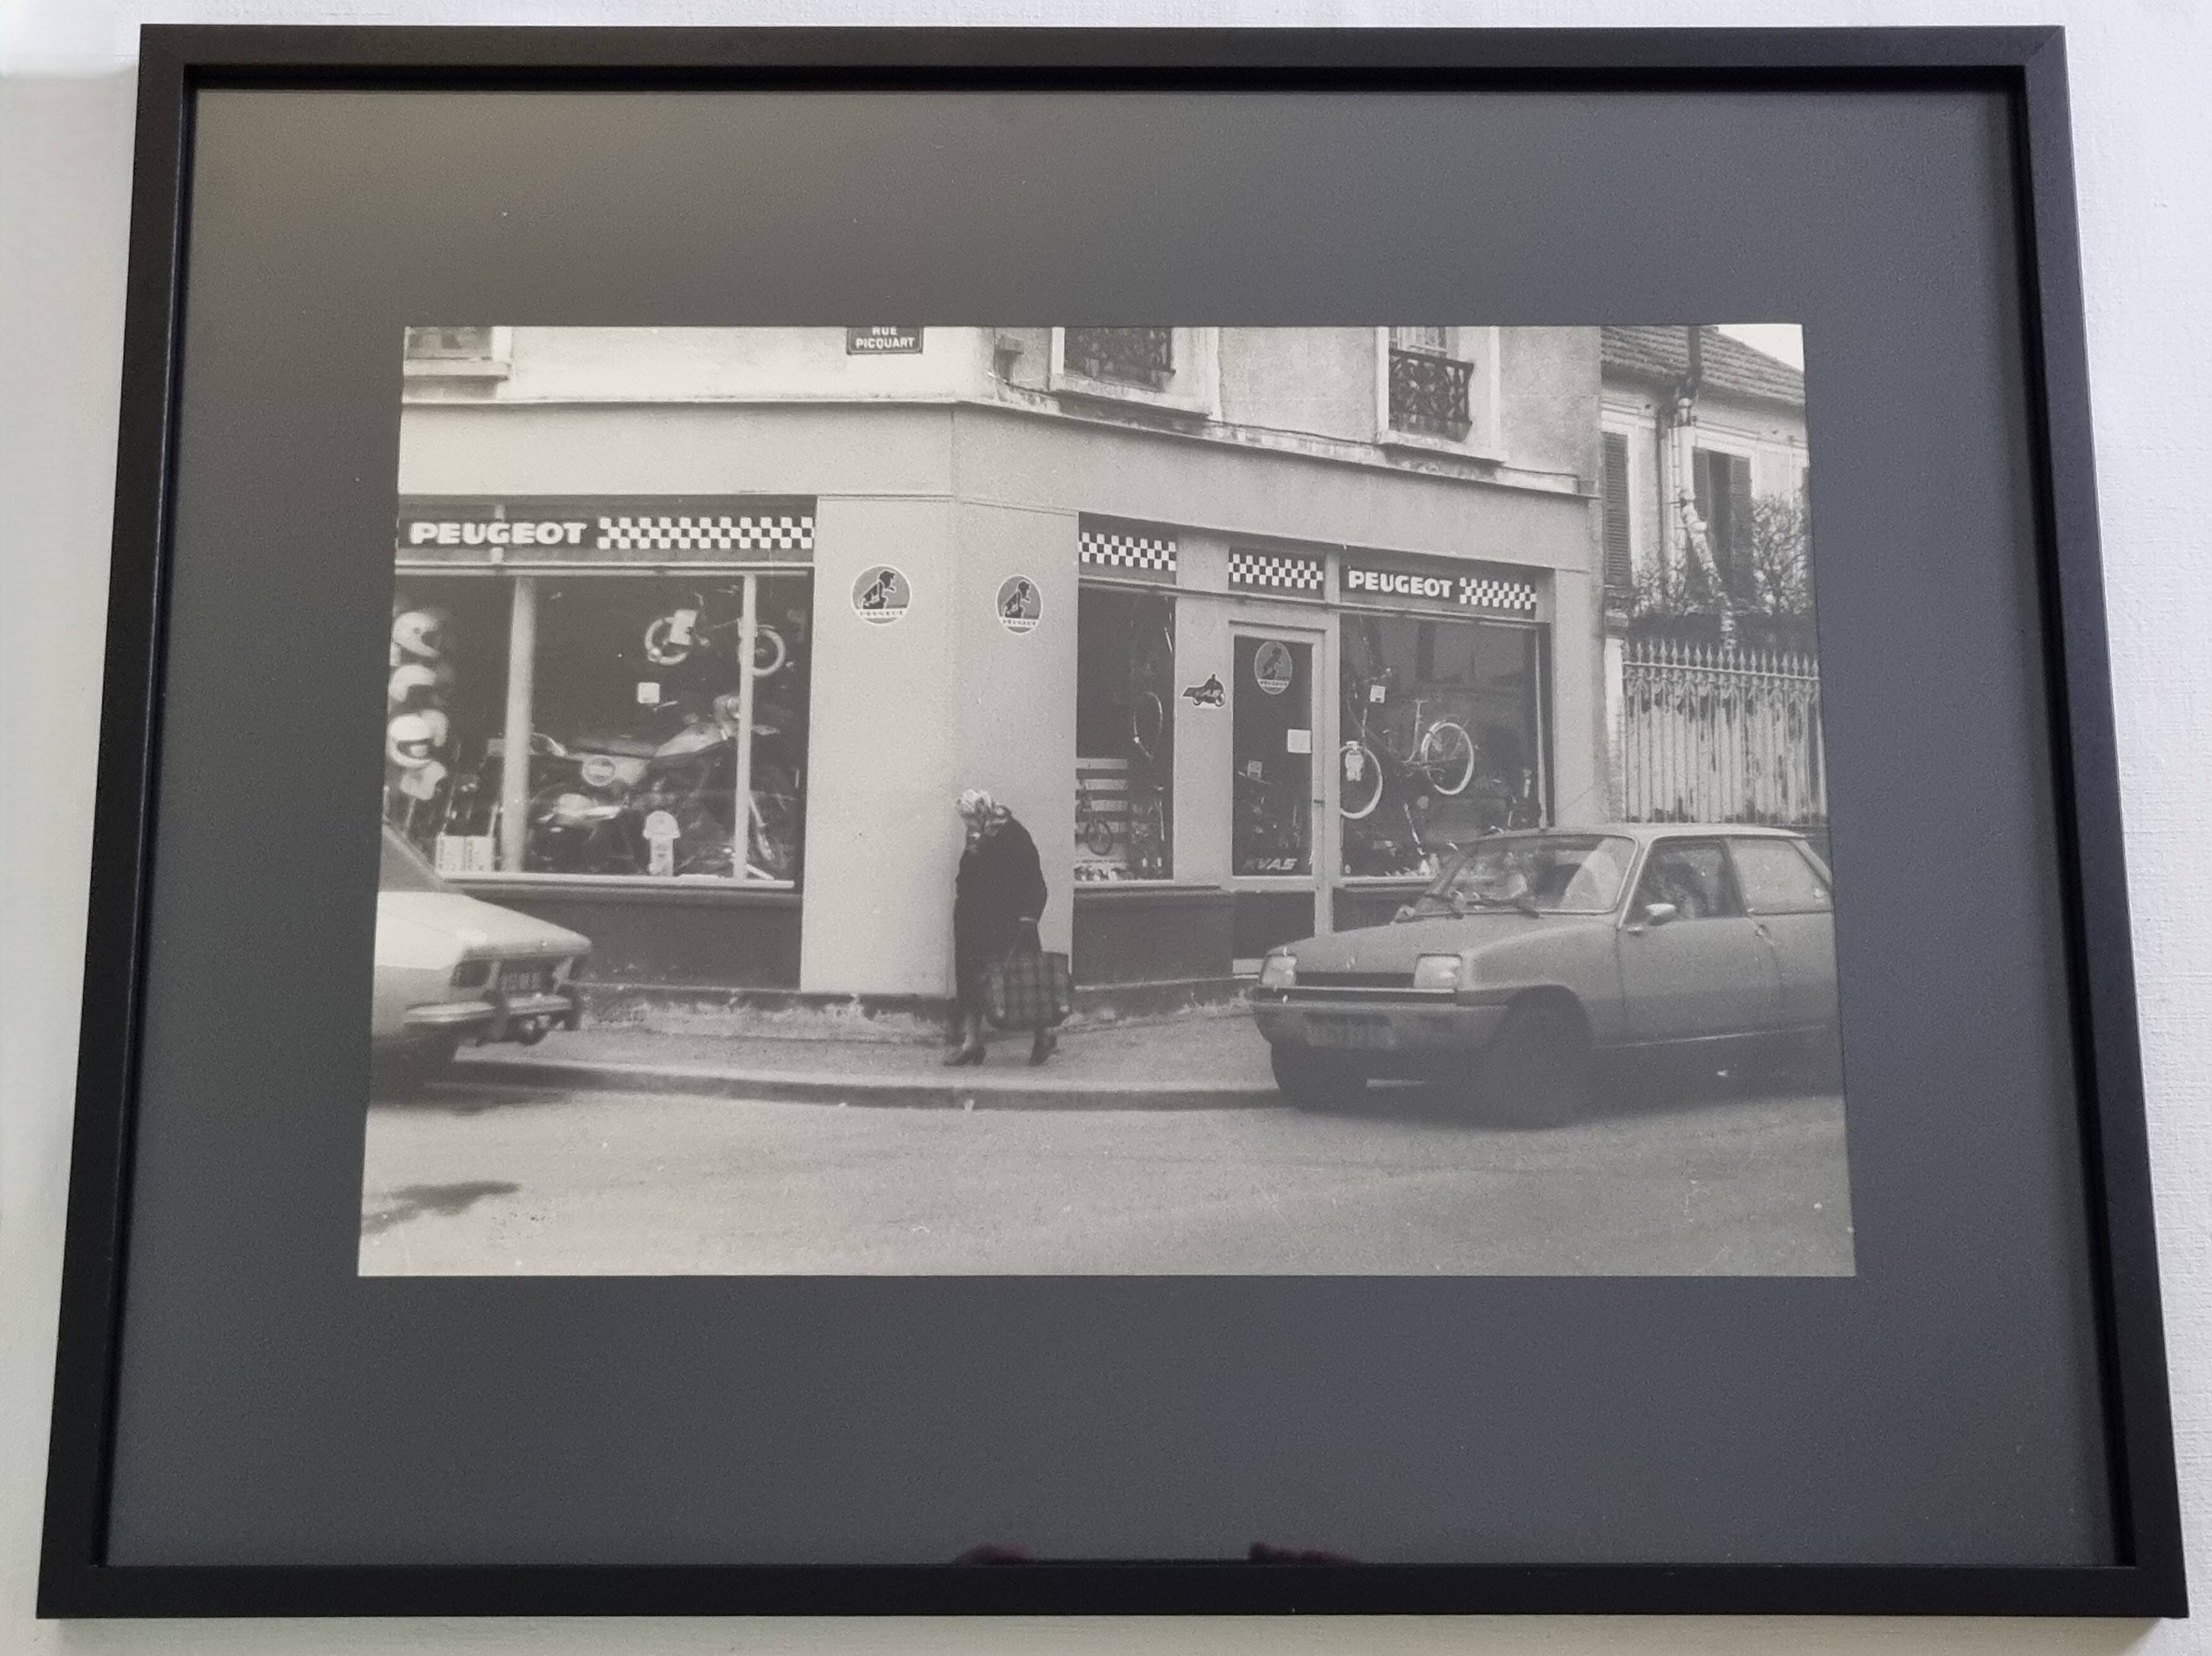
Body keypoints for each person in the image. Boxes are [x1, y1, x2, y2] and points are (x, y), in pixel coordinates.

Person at [945, 788, 1054, 1067]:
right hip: (974, 921)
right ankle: (972, 1043)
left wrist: (1029, 917)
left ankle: (1045, 1034)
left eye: (970, 818)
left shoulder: (1014, 834)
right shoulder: (976, 837)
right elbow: (967, 875)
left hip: (1008, 921)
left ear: (982, 812)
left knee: (1023, 981)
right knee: (970, 981)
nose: (967, 824)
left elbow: (1033, 878)